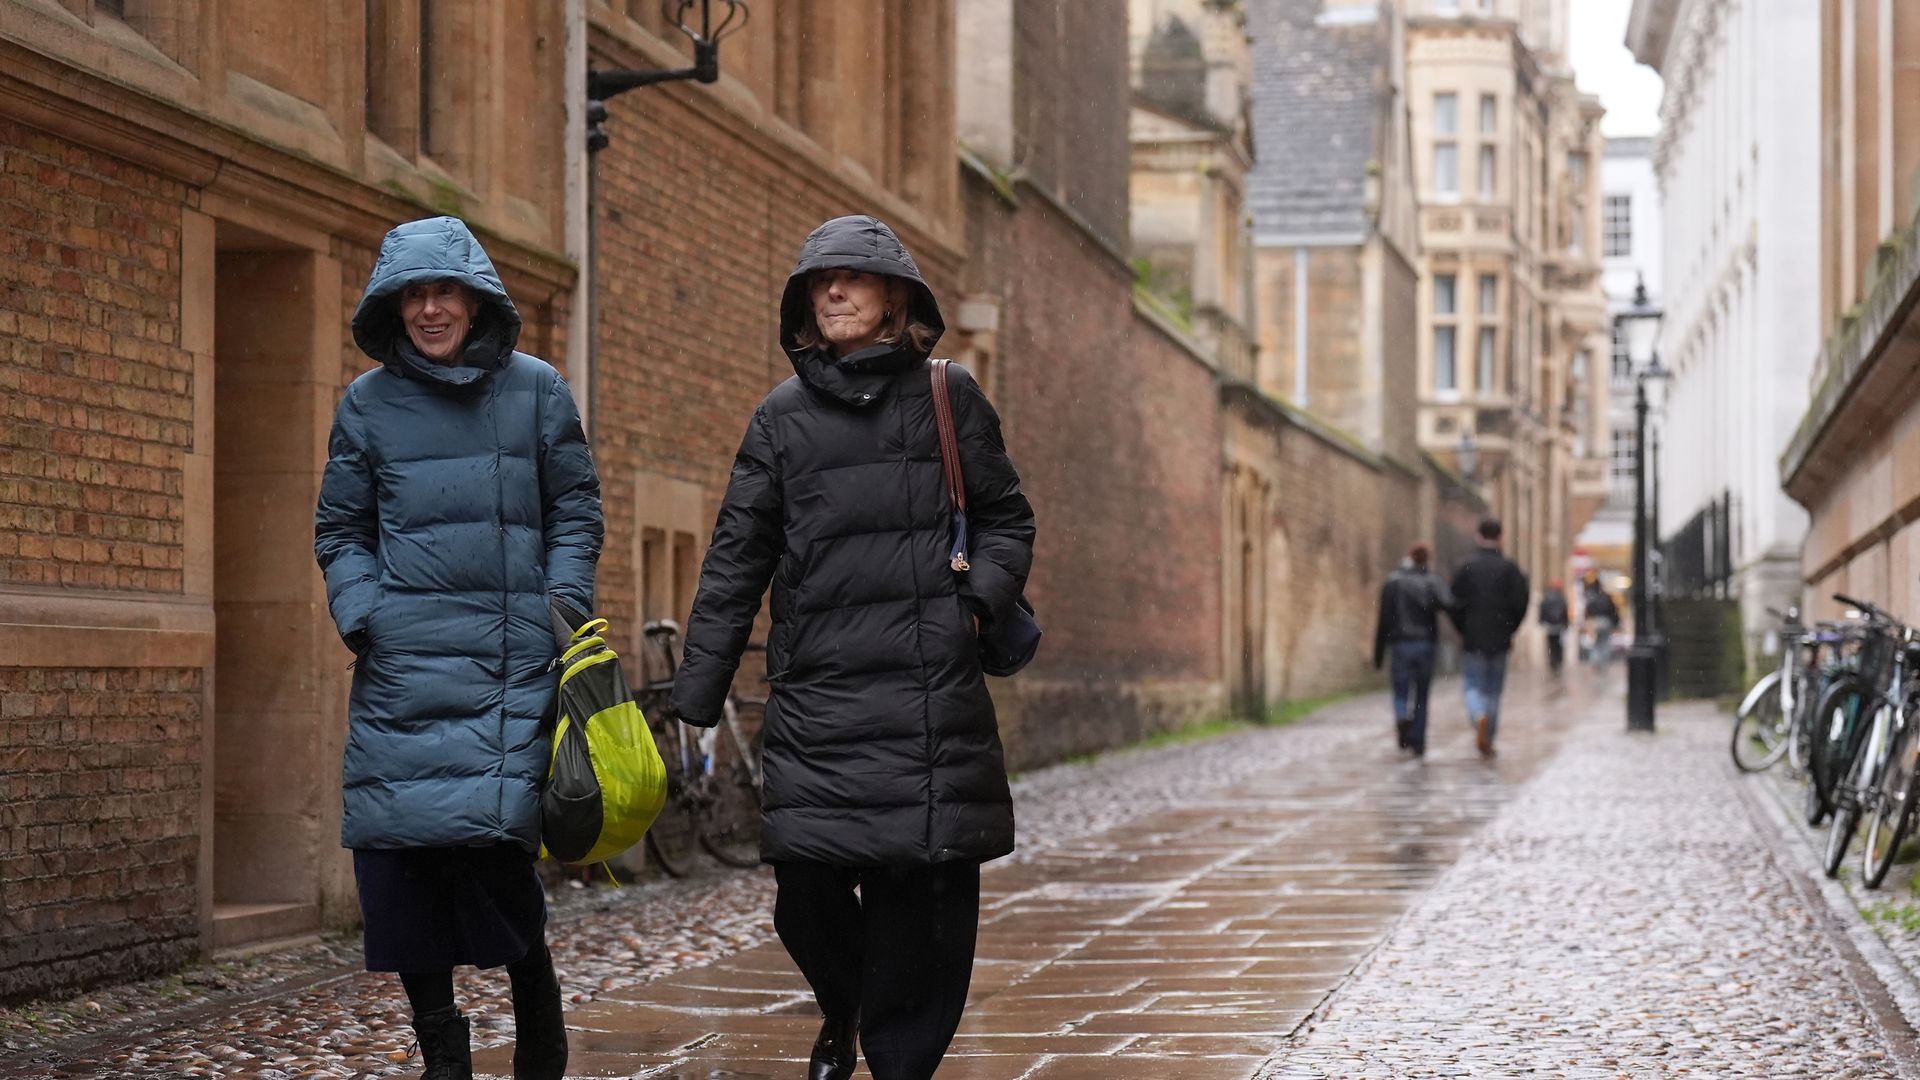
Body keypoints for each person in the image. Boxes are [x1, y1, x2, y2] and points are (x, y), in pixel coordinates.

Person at [671, 215, 1035, 1080]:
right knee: (805, 896)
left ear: (894, 298)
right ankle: (845, 1006)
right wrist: (697, 692)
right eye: (818, 280)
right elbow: (736, 558)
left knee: (920, 900)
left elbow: (1006, 518)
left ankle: (897, 1061)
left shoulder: (951, 398)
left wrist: (975, 606)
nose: (833, 290)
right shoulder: (780, 419)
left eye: (853, 278)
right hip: (819, 698)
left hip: (924, 695)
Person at [315, 215, 602, 1080]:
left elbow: (577, 511)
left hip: (511, 669)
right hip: (404, 667)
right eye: (414, 295)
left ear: (475, 301)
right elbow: (341, 529)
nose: (430, 310)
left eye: (444, 292)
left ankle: (540, 1032)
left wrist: (558, 606)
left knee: (495, 862)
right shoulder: (365, 406)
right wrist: (367, 614)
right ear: (393, 306)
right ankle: (442, 1047)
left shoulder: (539, 390)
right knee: (399, 864)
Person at [1447, 518, 1530, 757]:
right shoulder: (1509, 568)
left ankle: (1478, 715)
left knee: (1473, 685)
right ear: (1501, 537)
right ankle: (1489, 737)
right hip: (1500, 638)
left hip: (1474, 637)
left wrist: (1463, 627)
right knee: (1494, 690)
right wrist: (1511, 627)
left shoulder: (1466, 567)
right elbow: (1520, 603)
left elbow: (1454, 603)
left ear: (1478, 536)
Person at [1372, 541, 1452, 757]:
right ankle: (1418, 741)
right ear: (1427, 559)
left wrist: (1378, 652)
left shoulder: (1394, 582)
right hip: (1425, 644)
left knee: (1401, 690)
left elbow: (1384, 619)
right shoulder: (1432, 583)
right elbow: (1449, 604)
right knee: (1422, 695)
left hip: (1401, 644)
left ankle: (1401, 718)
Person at [1584, 573, 1620, 667]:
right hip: (1606, 622)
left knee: (1597, 642)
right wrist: (1615, 623)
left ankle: (1596, 660)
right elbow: (1613, 610)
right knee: (1604, 642)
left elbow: (1589, 610)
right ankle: (1603, 661)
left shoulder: (1592, 597)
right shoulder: (1606, 597)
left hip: (1596, 622)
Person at [1539, 580, 1571, 674]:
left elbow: (1542, 610)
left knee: (1551, 644)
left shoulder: (1547, 597)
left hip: (1550, 625)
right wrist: (1566, 623)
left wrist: (1541, 621)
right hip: (1559, 625)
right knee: (1558, 645)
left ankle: (1553, 660)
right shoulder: (1561, 598)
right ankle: (1557, 660)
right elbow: (1565, 612)